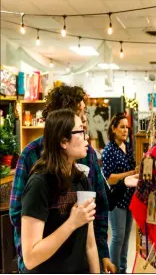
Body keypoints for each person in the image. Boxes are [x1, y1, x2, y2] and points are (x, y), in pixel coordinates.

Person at [10, 85, 116, 273]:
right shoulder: (33, 162)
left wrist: (101, 255)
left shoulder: (83, 168)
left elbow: (97, 210)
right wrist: (28, 261)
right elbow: (20, 216)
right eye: (81, 116)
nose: (85, 122)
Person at [21, 109, 99, 273]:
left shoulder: (81, 180)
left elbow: (90, 244)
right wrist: (72, 223)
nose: (87, 137)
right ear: (63, 141)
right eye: (80, 131)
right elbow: (30, 258)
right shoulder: (39, 183)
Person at [101, 113, 138, 274]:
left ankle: (122, 269)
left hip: (129, 197)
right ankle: (114, 270)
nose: (125, 130)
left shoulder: (127, 147)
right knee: (118, 236)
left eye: (126, 127)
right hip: (116, 199)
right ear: (113, 129)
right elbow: (109, 179)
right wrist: (130, 173)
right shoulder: (109, 150)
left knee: (125, 238)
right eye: (121, 127)